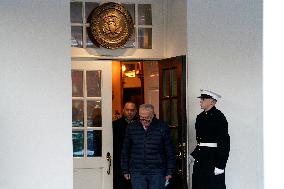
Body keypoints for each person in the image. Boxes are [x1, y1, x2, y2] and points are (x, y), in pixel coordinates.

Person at [121, 104, 176, 189]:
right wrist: (125, 169)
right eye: (141, 117)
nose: (144, 120)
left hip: (157, 171)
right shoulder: (131, 127)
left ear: (153, 115)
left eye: (147, 118)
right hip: (137, 171)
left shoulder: (162, 127)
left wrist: (169, 171)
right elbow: (125, 151)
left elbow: (169, 151)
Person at [189, 89, 230, 189]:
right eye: (201, 99)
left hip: (213, 158)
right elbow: (201, 141)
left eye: (203, 99)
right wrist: (194, 155)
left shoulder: (219, 117)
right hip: (201, 158)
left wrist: (221, 165)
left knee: (212, 185)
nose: (200, 101)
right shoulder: (200, 117)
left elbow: (224, 142)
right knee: (199, 185)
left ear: (212, 101)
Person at [113, 102, 138, 189]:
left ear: (136, 111)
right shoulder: (115, 125)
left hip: (136, 163)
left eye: (132, 110)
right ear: (123, 110)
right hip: (119, 162)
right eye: (127, 110)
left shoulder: (140, 125)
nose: (129, 112)